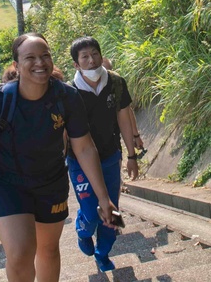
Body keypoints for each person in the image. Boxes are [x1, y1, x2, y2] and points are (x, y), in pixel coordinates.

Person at [0, 33, 117, 282]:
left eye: (45, 56)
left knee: (48, 250)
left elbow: (84, 147)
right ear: (17, 66)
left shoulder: (67, 98)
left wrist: (104, 198)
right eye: (30, 57)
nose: (40, 62)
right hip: (5, 184)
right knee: (20, 251)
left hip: (50, 183)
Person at [67, 36, 141, 271]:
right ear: (76, 64)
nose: (91, 60)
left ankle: (103, 253)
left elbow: (123, 118)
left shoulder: (116, 83)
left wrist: (131, 156)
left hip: (110, 157)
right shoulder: (68, 92)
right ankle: (83, 228)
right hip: (79, 161)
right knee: (91, 211)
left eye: (95, 54)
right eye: (85, 57)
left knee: (112, 209)